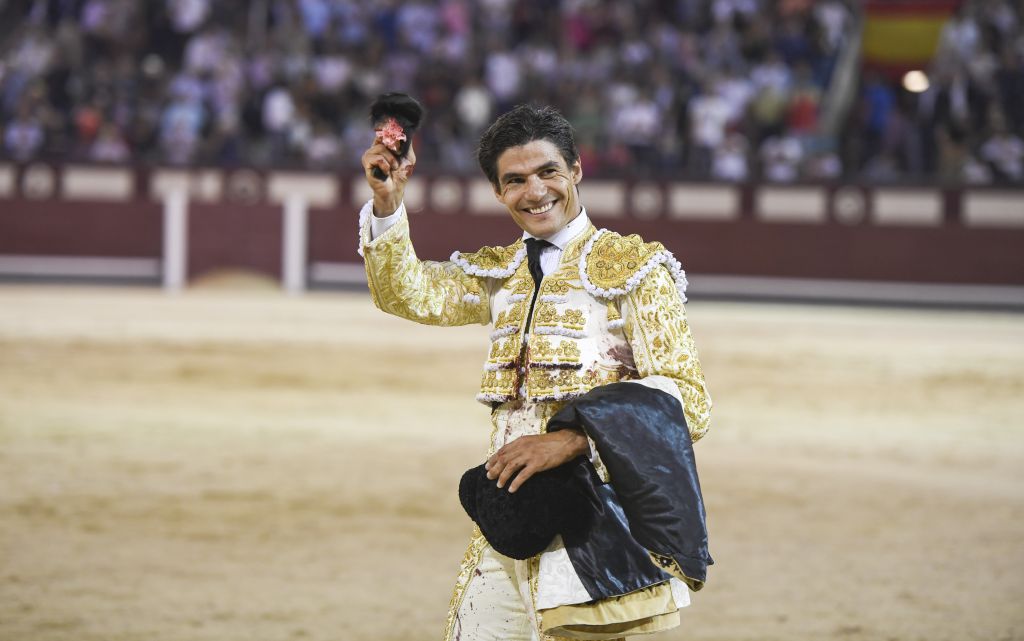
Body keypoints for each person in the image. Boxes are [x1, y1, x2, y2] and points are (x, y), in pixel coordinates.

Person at [359, 104, 712, 641]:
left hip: (599, 525)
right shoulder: (501, 275)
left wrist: (573, 439)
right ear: (499, 194)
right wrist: (388, 205)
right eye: (515, 180)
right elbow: (407, 293)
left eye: (548, 171)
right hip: (510, 519)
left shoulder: (635, 270)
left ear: (575, 170)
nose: (535, 191)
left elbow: (689, 401)